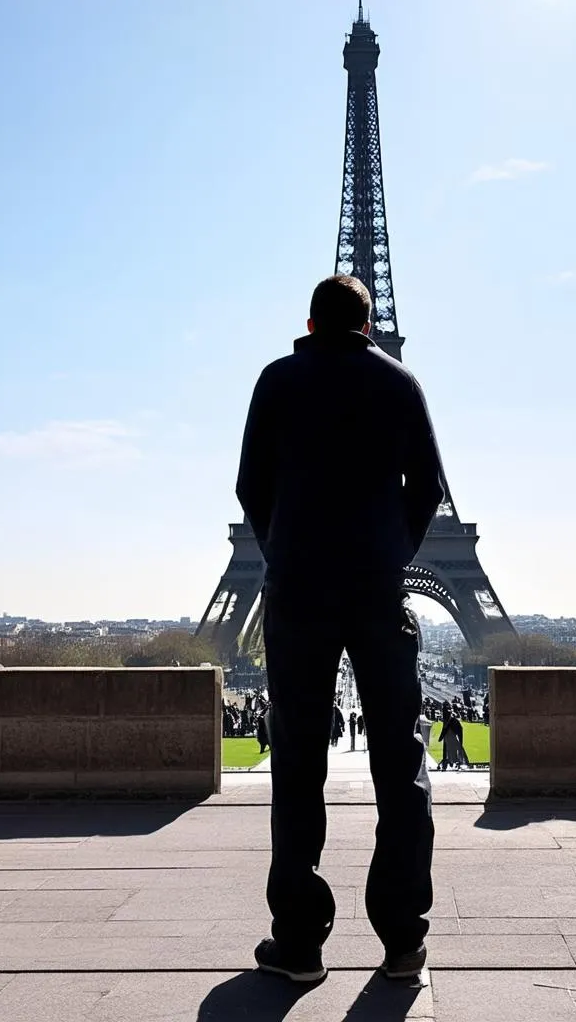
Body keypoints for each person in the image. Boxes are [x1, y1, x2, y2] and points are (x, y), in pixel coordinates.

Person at [235, 275, 445, 984]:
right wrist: (391, 555)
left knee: (296, 765)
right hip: (376, 585)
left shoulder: (276, 379)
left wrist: (286, 547)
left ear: (309, 321)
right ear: (367, 325)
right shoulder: (399, 384)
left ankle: (298, 943)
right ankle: (403, 940)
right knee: (399, 759)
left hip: (297, 587)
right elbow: (428, 486)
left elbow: (249, 486)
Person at [439, 704, 468, 771]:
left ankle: (452, 762)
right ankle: (454, 762)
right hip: (450, 736)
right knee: (452, 749)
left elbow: (445, 729)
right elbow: (445, 729)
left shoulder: (450, 720)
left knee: (451, 750)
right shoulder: (450, 719)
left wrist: (441, 737)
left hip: (450, 736)